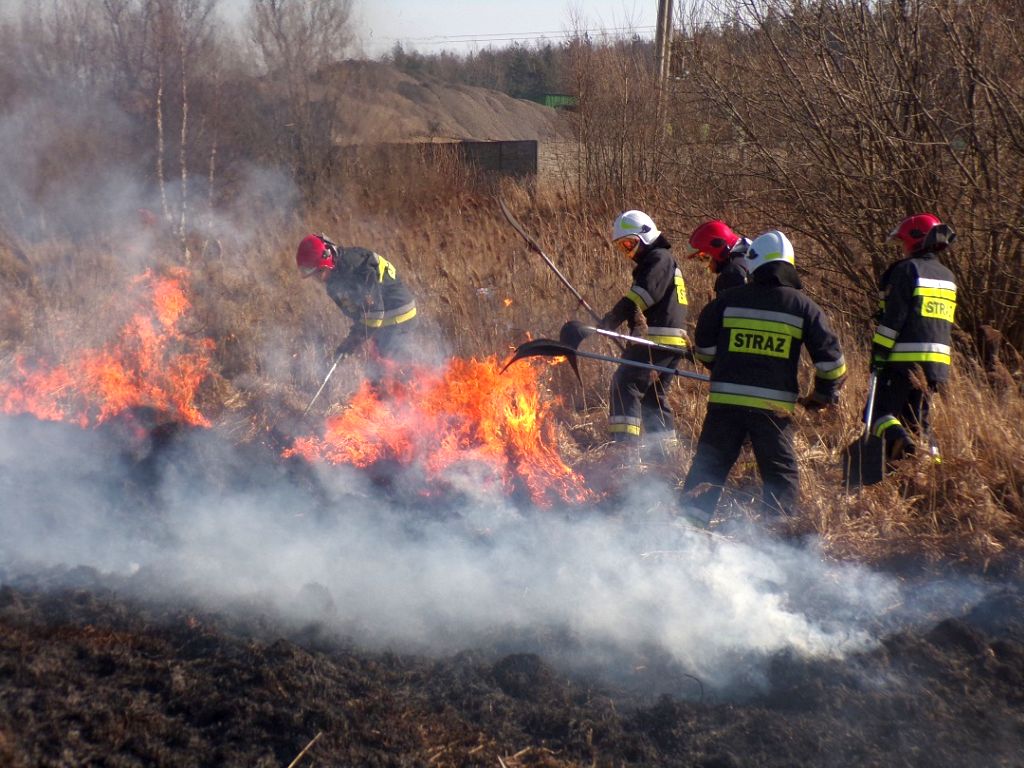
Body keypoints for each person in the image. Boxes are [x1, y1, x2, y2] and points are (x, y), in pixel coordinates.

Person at [682, 229, 847, 525]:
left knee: (708, 469)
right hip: (774, 411)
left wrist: (723, 366)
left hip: (725, 404)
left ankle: (686, 532)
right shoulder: (804, 307)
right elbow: (832, 363)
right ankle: (778, 541)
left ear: (754, 263)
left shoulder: (725, 301)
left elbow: (704, 350)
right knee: (779, 476)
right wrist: (822, 395)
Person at [598, 210, 690, 463]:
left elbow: (641, 296)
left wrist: (612, 318)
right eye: (621, 246)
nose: (628, 251)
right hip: (670, 342)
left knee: (624, 384)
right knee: (652, 398)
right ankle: (667, 459)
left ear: (646, 236)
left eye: (630, 243)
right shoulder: (664, 260)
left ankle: (625, 456)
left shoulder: (659, 259)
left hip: (656, 341)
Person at [869, 213, 957, 463]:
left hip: (903, 361)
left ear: (914, 239)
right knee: (919, 421)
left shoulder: (908, 270)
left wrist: (878, 355)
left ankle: (900, 443)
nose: (903, 250)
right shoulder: (948, 276)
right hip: (936, 366)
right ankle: (933, 469)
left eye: (903, 243)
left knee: (878, 414)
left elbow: (893, 320)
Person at [295, 233, 419, 373]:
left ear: (327, 260)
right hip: (384, 319)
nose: (318, 279)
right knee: (375, 372)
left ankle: (419, 386)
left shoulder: (354, 267)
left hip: (398, 314)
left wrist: (350, 345)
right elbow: (359, 315)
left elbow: (374, 314)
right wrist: (349, 345)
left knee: (391, 367)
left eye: (319, 273)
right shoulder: (333, 285)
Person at [688, 219, 750, 296]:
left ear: (718, 249)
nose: (706, 265)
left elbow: (725, 307)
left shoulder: (731, 275)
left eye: (705, 258)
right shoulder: (751, 256)